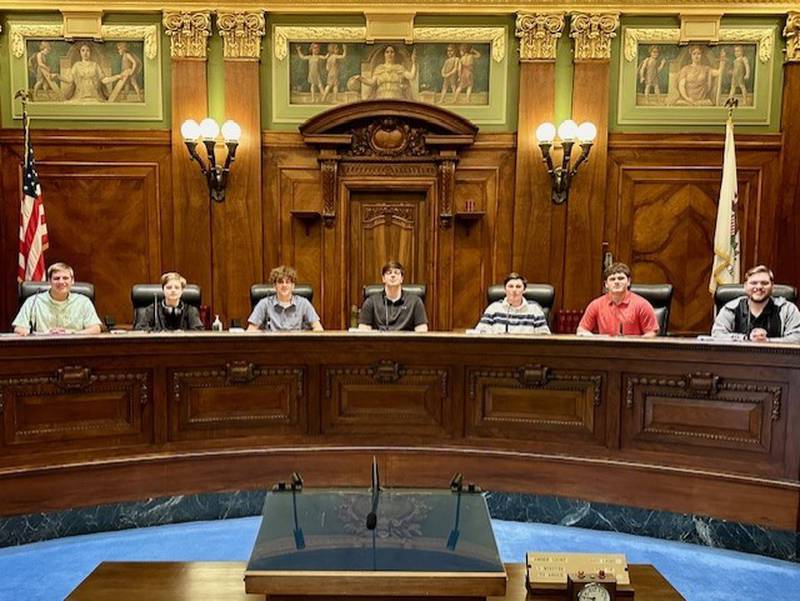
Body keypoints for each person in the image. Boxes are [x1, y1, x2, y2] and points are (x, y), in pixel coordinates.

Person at [711, 265, 800, 343]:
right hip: (738, 359)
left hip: (777, 360)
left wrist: (767, 341)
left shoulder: (787, 309)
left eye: (764, 283)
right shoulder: (731, 308)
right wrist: (746, 339)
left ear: (772, 286)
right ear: (745, 286)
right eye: (753, 283)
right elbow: (717, 335)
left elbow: (797, 337)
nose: (759, 287)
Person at [12, 262, 102, 336]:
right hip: (42, 349)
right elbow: (19, 327)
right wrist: (28, 332)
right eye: (56, 278)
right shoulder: (33, 301)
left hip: (75, 350)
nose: (61, 282)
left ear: (72, 281)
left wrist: (71, 333)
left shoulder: (83, 302)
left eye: (65, 278)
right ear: (49, 281)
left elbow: (95, 328)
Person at [577, 262, 659, 337]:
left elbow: (651, 333)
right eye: (612, 279)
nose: (616, 282)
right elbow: (582, 330)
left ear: (628, 282)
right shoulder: (596, 305)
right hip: (605, 350)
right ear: (606, 284)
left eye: (620, 278)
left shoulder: (642, 305)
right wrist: (597, 340)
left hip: (633, 351)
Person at [247, 265, 323, 331]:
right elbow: (251, 330)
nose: (284, 285)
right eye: (280, 282)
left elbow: (318, 328)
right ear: (274, 286)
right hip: (271, 346)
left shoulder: (304, 303)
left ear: (293, 286)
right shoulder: (264, 304)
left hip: (297, 346)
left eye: (288, 282)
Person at [358, 261, 428, 332]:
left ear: (402, 278)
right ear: (383, 278)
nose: (393, 275)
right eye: (389, 273)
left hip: (406, 342)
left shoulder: (415, 302)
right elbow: (363, 332)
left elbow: (422, 331)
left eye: (396, 273)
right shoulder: (371, 302)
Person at [474, 272, 550, 334]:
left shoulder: (535, 310)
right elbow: (480, 333)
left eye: (518, 287)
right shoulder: (493, 309)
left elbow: (544, 337)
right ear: (505, 289)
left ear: (524, 290)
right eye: (510, 286)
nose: (514, 290)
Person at [133, 272, 204, 332]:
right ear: (163, 290)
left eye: (177, 287)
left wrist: (183, 333)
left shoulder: (190, 310)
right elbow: (140, 329)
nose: (173, 290)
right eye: (169, 287)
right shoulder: (152, 309)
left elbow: (198, 330)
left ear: (182, 291)